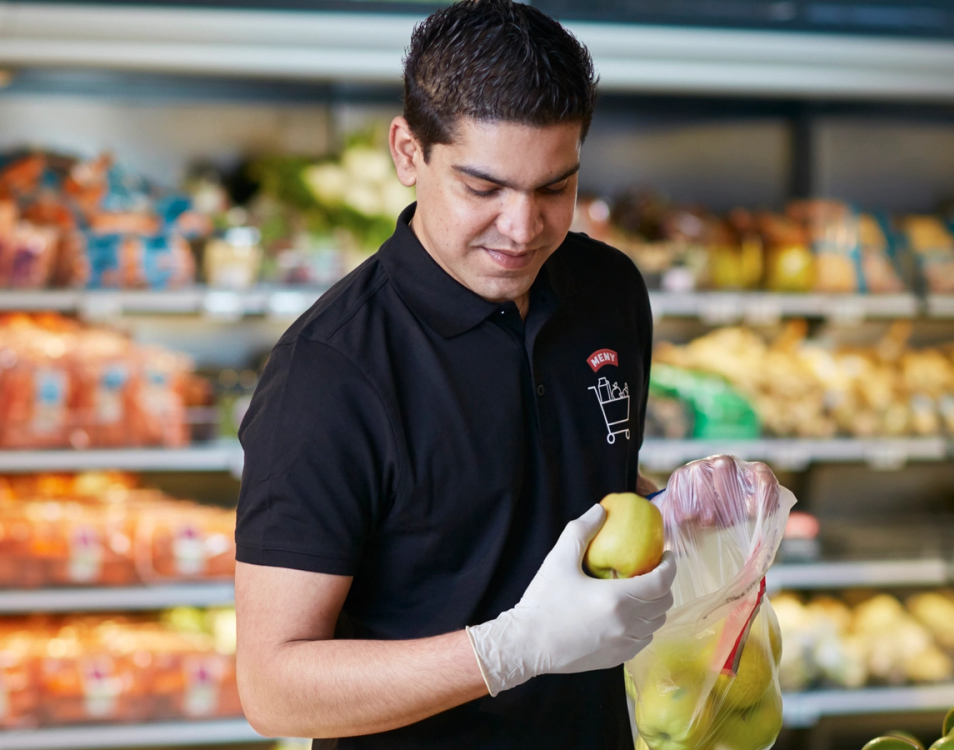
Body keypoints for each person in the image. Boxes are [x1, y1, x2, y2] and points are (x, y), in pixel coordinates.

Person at [233, 1, 676, 747]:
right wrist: (508, 650)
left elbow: (573, 485)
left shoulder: (609, 292)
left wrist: (692, 511)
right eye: (483, 188)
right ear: (409, 152)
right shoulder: (329, 374)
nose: (522, 228)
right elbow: (274, 688)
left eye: (554, 189)